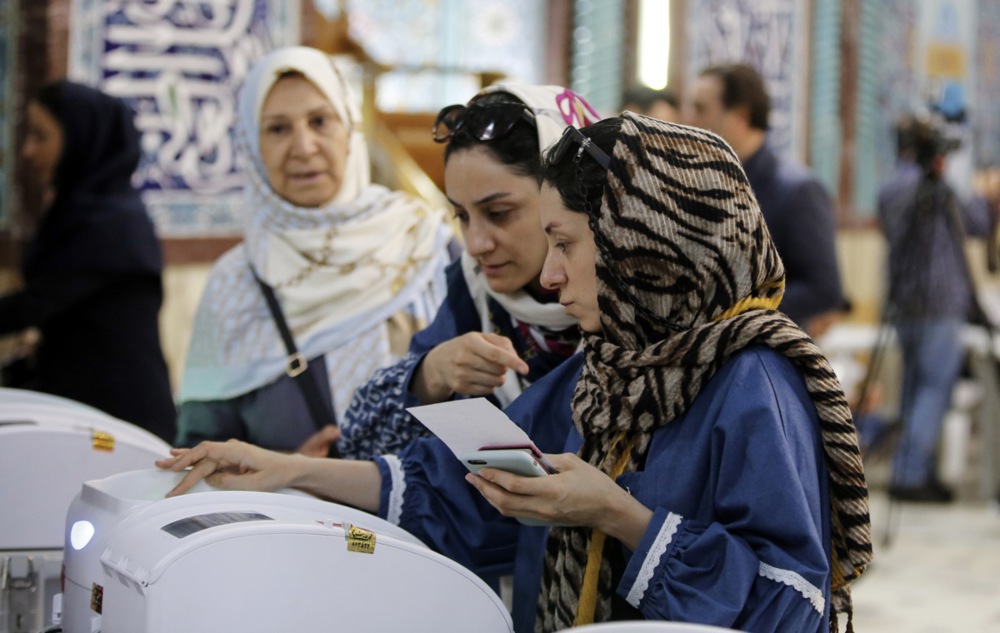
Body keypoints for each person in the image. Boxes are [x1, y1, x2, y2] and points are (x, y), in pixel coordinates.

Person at [159, 113, 872, 632]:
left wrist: (619, 515)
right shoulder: (599, 377)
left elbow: (790, 608)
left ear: (643, 247)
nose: (551, 276)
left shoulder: (751, 383)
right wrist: (286, 471)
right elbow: (456, 496)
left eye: (567, 244)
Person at [174, 46, 453, 456]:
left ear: (351, 128)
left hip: (427, 496)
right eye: (277, 129)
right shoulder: (235, 280)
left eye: (320, 121)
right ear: (252, 145)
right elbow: (198, 448)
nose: (304, 147)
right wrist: (286, 474)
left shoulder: (425, 243)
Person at [338, 83, 599, 460]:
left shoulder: (630, 305)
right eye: (461, 215)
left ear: (565, 196)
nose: (475, 244)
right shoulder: (474, 292)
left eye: (499, 213)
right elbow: (361, 447)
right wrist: (429, 375)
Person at [0, 80, 176, 442]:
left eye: (41, 136)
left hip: (121, 424)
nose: (28, 151)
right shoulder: (78, 212)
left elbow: (34, 304)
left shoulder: (112, 223)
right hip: (80, 412)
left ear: (81, 139)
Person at [878, 116, 999, 503]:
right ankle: (911, 475)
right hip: (940, 304)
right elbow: (977, 222)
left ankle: (914, 469)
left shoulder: (889, 189)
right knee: (933, 390)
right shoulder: (938, 189)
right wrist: (986, 196)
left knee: (914, 388)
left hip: (902, 302)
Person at [687, 63, 844, 335]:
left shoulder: (797, 190)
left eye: (701, 109)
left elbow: (824, 289)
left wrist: (737, 312)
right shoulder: (702, 184)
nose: (688, 119)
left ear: (740, 117)